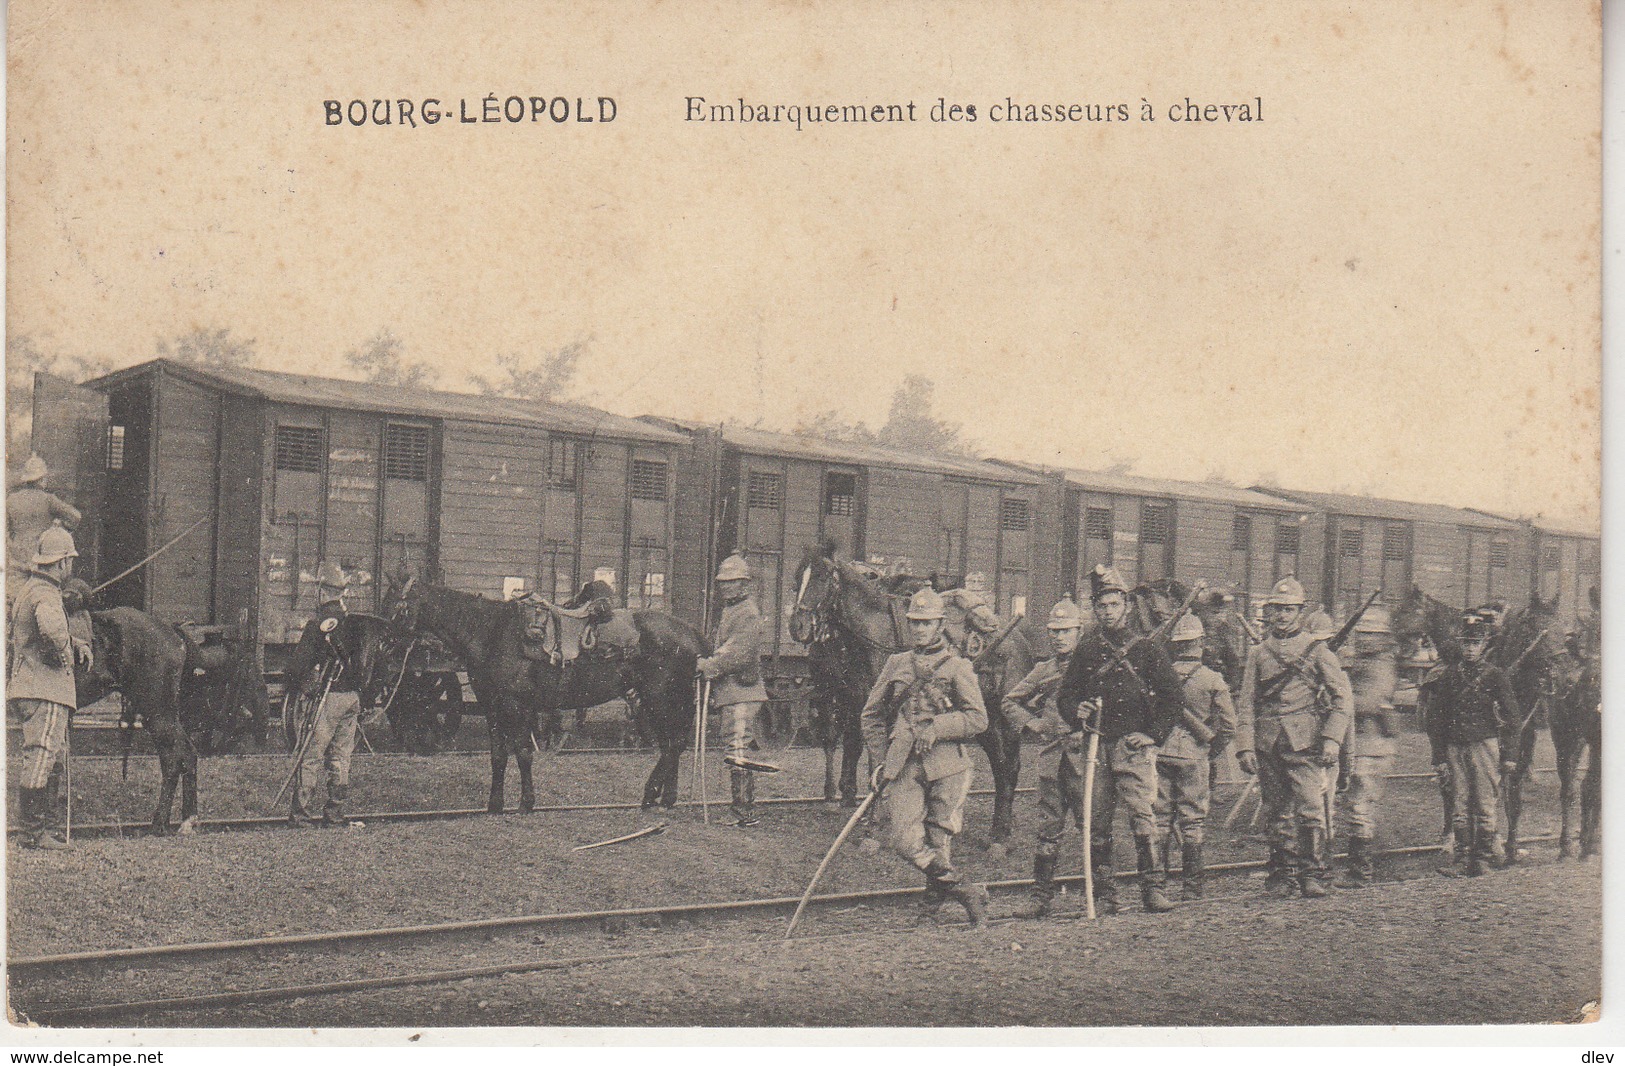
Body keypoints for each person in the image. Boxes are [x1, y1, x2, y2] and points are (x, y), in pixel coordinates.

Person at [1055, 566, 1185, 915]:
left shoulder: (1146, 649)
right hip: (1096, 746)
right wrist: (1076, 711)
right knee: (1097, 822)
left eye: (1114, 604)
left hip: (1132, 748)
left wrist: (1153, 735)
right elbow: (1065, 697)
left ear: (1126, 605)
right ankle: (1104, 894)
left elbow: (1174, 698)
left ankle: (1152, 890)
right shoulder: (1086, 650)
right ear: (1094, 609)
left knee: (1143, 818)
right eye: (1102, 605)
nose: (1108, 611)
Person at [861, 586, 990, 926]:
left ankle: (931, 908)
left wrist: (938, 727)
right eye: (914, 623)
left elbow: (978, 719)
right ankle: (965, 890)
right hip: (903, 763)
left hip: (948, 765)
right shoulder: (896, 663)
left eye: (926, 623)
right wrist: (880, 759)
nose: (919, 629)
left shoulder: (959, 666)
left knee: (938, 839)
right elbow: (871, 715)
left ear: (940, 625)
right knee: (904, 839)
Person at [1234, 576, 1353, 899]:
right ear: (1270, 613)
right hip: (1268, 742)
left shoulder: (1317, 651)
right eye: (1277, 610)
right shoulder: (1260, 653)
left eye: (1289, 610)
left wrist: (1332, 739)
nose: (1283, 615)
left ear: (1300, 612)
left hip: (1306, 743)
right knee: (1276, 810)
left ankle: (1311, 875)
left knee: (1311, 807)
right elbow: (1246, 701)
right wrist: (1244, 745)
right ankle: (1281, 876)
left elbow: (1342, 698)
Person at [1002, 595, 1086, 918]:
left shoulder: (1091, 668)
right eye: (1054, 631)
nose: (1059, 637)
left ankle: (1104, 895)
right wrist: (1033, 723)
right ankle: (1041, 898)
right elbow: (1010, 701)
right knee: (1048, 829)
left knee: (1093, 826)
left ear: (1079, 632)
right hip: (1052, 761)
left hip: (1085, 761)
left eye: (1066, 630)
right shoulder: (1042, 670)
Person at [8, 524, 91, 849]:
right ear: (60, 564)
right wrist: (65, 653)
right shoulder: (46, 593)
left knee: (49, 755)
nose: (70, 567)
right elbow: (51, 629)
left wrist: (74, 641)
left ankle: (46, 828)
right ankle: (34, 833)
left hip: (30, 686)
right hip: (46, 689)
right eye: (69, 561)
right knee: (43, 756)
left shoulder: (31, 587)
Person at [1422, 612, 1520, 877]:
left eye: (1474, 643)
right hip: (1455, 747)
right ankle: (1463, 859)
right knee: (1459, 802)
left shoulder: (1495, 676)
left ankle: (1484, 860)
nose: (1469, 648)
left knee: (1486, 802)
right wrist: (1439, 756)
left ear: (1483, 645)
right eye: (1465, 643)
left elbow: (1512, 717)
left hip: (1484, 745)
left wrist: (1510, 754)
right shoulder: (1449, 675)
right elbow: (1437, 719)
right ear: (1459, 644)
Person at [1156, 613, 1236, 900]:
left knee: (1160, 820)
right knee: (1193, 821)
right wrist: (1209, 750)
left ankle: (1158, 887)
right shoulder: (1212, 679)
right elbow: (1228, 725)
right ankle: (1192, 888)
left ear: (1177, 645)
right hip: (1194, 755)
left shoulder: (1161, 676)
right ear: (1200, 643)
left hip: (1161, 752)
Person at [285, 561, 365, 828]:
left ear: (321, 591)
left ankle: (301, 815)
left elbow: (297, 667)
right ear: (341, 592)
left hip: (327, 700)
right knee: (341, 758)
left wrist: (302, 686)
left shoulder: (318, 624)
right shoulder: (355, 625)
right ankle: (335, 814)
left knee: (311, 754)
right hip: (352, 698)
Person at [696, 552, 769, 827]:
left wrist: (709, 665)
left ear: (744, 584)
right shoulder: (732, 610)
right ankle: (741, 809)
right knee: (735, 746)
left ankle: (744, 813)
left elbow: (737, 653)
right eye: (723, 582)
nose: (726, 586)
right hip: (734, 692)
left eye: (732, 582)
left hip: (743, 692)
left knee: (738, 748)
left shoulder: (747, 613)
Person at [1336, 605, 1399, 887]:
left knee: (1360, 806)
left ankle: (1360, 872)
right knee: (1356, 805)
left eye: (1369, 635)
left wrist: (1338, 691)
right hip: (1361, 743)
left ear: (1382, 638)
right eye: (1361, 634)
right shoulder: (1364, 662)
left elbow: (1367, 702)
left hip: (1371, 744)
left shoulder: (1381, 665)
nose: (1363, 639)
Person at [7, 455, 80, 594]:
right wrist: (59, 528)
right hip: (41, 563)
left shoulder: (11, 500)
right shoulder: (48, 500)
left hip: (16, 563)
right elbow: (76, 517)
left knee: (15, 603)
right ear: (41, 479)